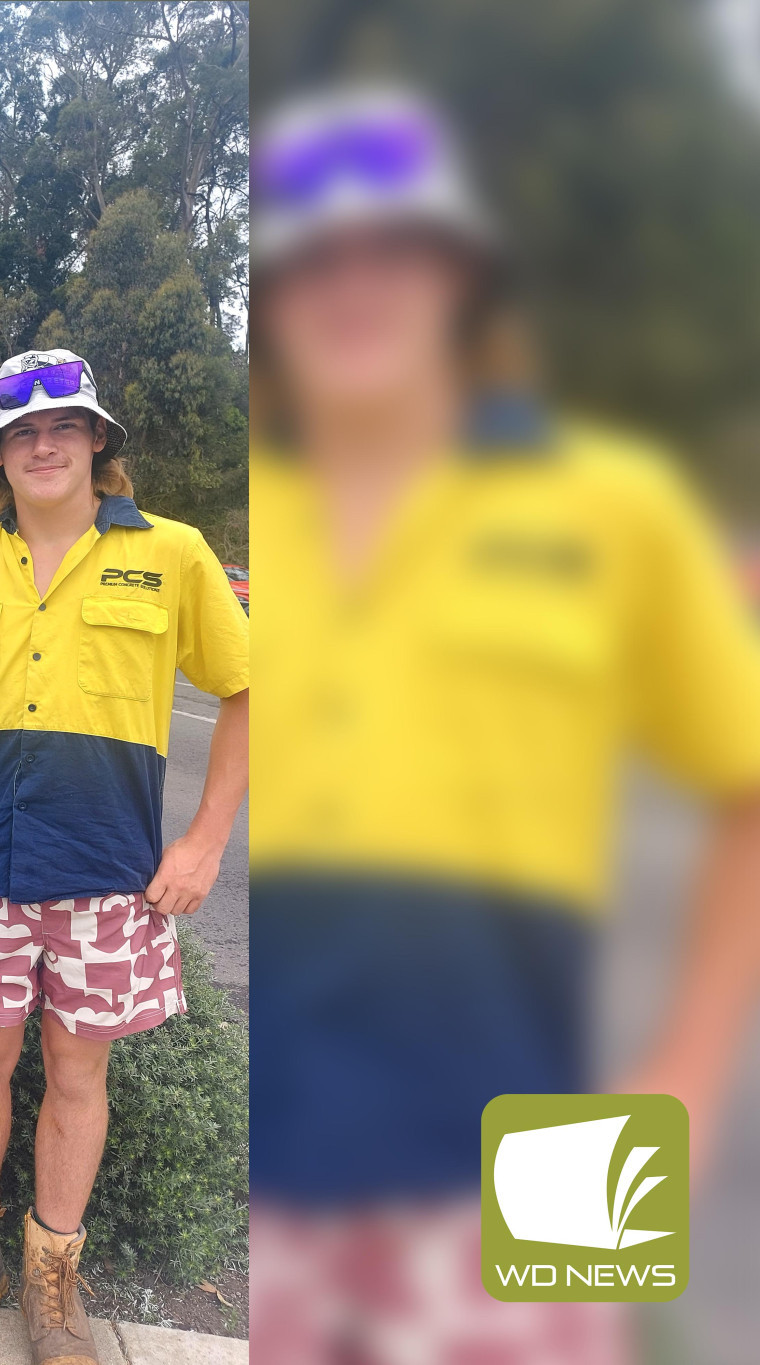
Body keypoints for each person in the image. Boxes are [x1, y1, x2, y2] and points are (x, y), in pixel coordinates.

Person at [250, 86, 760, 1365]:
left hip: (555, 1137)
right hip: (283, 1157)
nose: (348, 285)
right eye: (309, 259)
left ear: (456, 275)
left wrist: (687, 1085)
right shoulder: (253, 526)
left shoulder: (613, 504)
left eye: (389, 248)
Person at [0, 350, 250, 1365]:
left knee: (75, 1074)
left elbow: (246, 688)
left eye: (62, 426)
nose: (40, 445)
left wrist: (204, 839)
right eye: (20, 433)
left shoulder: (172, 555)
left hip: (112, 877)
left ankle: (52, 1276)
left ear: (97, 442)